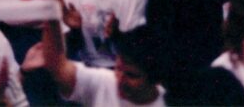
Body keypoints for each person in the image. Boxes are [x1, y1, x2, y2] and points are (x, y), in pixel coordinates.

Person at [25, 21, 166, 106]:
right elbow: (57, 65)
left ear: (156, 79)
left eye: (131, 75)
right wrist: (52, 17)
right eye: (118, 69)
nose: (120, 79)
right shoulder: (104, 82)